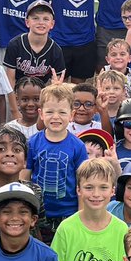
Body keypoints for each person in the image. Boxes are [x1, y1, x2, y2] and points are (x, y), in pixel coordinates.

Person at [24, 83, 89, 244]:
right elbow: (25, 177)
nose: (55, 117)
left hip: (68, 212)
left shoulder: (78, 146)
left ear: (71, 114)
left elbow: (82, 183)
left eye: (62, 112)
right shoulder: (32, 143)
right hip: (39, 212)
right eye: (50, 112)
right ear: (41, 113)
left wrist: (81, 215)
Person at [4, 0, 67, 87]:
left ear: (52, 24)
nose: (41, 22)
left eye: (46, 19)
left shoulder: (55, 50)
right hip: (18, 91)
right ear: (27, 22)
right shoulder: (15, 44)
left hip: (41, 93)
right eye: (35, 18)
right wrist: (14, 100)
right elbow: (10, 80)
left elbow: (56, 82)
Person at [6, 76, 43, 140]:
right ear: (17, 100)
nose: (30, 104)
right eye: (25, 99)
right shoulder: (10, 128)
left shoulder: (49, 127)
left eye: (36, 99)